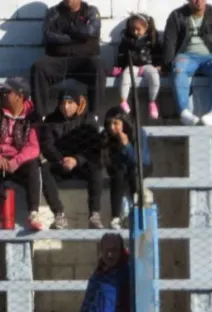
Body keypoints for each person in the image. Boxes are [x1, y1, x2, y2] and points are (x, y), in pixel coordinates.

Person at [38, 81, 103, 229]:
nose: (65, 107)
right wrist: (61, 160)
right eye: (62, 103)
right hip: (59, 164)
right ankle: (59, 214)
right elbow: (47, 145)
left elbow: (93, 147)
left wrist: (76, 160)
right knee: (42, 168)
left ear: (78, 104)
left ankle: (94, 215)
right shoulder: (51, 120)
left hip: (81, 165)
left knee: (96, 168)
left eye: (70, 103)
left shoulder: (88, 120)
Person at [162, 0, 212, 127]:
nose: (198, 1)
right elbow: (169, 43)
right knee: (178, 67)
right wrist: (168, 66)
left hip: (211, 57)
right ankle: (184, 112)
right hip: (186, 56)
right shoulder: (176, 16)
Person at [31, 0, 105, 120]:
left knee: (98, 66)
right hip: (58, 59)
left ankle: (94, 115)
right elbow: (48, 35)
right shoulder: (53, 12)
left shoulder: (90, 11)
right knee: (39, 67)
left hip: (83, 60)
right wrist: (77, 36)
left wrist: (66, 30)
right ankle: (41, 115)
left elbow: (91, 32)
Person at [0, 78, 45, 231]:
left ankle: (33, 213)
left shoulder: (32, 117)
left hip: (18, 162)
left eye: (7, 92)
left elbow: (33, 147)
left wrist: (15, 162)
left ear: (19, 96)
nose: (3, 94)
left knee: (34, 165)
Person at [103, 106, 151, 230]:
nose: (111, 127)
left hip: (141, 165)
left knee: (134, 173)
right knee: (117, 175)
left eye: (115, 123)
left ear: (123, 122)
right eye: (109, 124)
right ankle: (116, 217)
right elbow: (108, 163)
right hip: (121, 167)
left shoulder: (138, 132)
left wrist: (127, 146)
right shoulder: (106, 137)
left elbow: (141, 161)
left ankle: (137, 211)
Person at [113, 13, 163, 120]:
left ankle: (152, 101)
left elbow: (158, 53)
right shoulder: (127, 40)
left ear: (146, 27)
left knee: (154, 76)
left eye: (138, 29)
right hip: (133, 66)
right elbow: (121, 54)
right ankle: (123, 101)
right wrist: (119, 66)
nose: (135, 32)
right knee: (126, 75)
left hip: (148, 65)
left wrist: (159, 65)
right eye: (133, 29)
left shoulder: (153, 39)